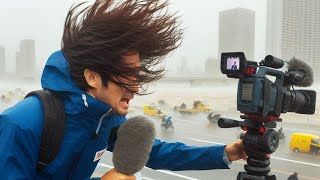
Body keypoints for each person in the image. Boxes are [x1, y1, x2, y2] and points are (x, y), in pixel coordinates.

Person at [0, 0, 247, 179]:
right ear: (93, 77)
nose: (137, 87)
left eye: (138, 75)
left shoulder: (105, 119)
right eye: (128, 75)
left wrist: (226, 152)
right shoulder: (21, 123)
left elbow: (155, 152)